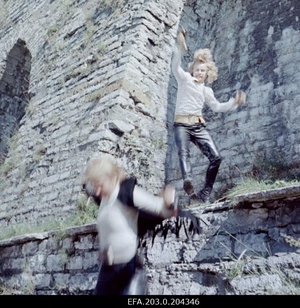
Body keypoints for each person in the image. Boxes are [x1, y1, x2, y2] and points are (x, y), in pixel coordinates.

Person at [81, 155, 200, 295]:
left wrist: (168, 201)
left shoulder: (127, 192)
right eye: (95, 186)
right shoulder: (102, 199)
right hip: (107, 271)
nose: (98, 191)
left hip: (128, 271)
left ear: (112, 178)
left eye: (101, 185)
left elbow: (160, 208)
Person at [172, 27, 246, 204]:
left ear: (207, 74)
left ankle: (205, 192)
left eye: (202, 70)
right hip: (181, 125)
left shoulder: (207, 91)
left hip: (198, 126)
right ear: (192, 70)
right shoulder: (184, 79)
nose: (198, 72)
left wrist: (234, 103)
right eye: (196, 69)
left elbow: (217, 107)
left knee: (216, 157)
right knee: (183, 153)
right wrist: (179, 48)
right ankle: (188, 182)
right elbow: (175, 66)